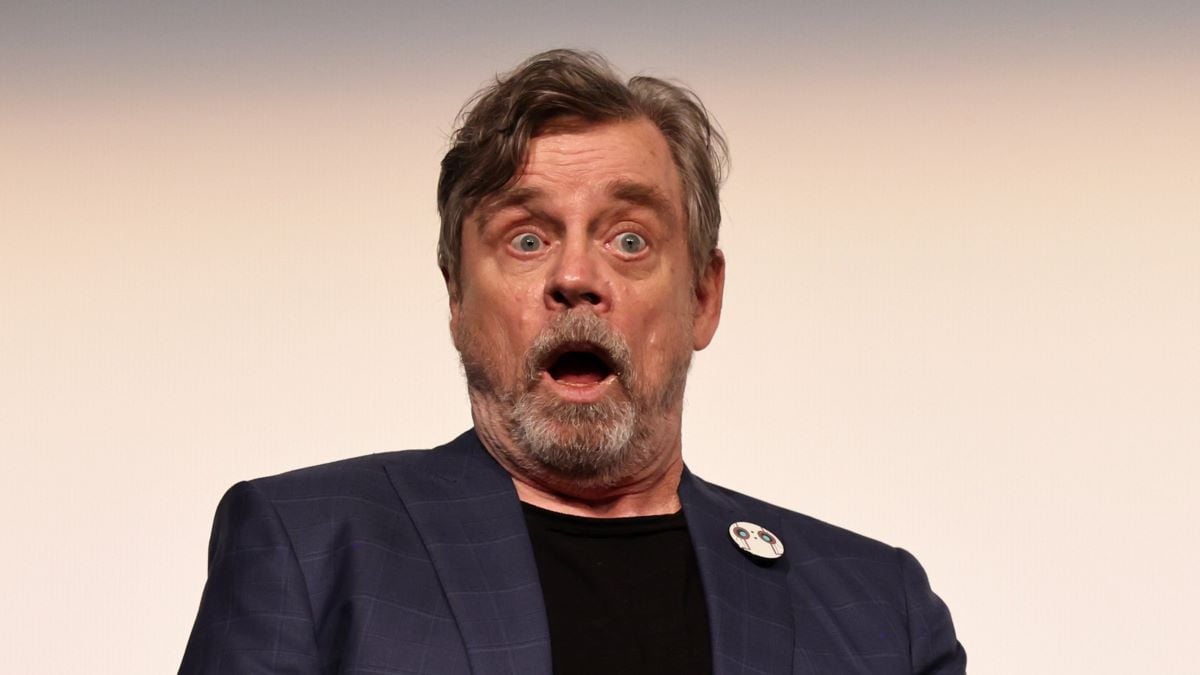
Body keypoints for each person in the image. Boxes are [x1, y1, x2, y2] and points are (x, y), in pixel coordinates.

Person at [180, 49, 966, 675]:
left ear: (702, 296)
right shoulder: (310, 549)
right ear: (457, 296)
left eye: (630, 238)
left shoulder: (875, 611)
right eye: (528, 238)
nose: (576, 277)